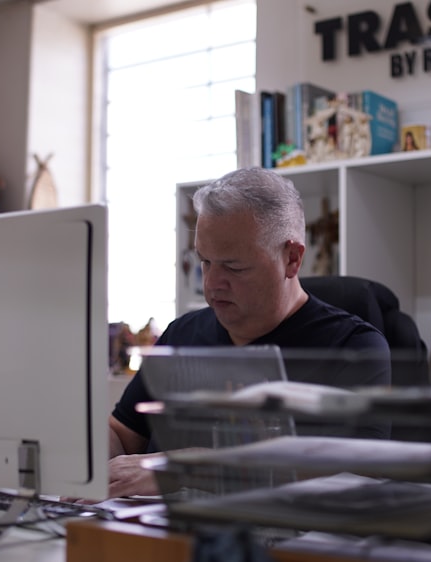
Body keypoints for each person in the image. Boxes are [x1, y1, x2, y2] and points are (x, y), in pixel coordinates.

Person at [106, 167, 392, 499]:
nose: (212, 284)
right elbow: (124, 436)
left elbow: (358, 472)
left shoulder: (354, 347)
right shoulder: (181, 335)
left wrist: (184, 470)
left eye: (234, 266)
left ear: (292, 259)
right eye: (206, 262)